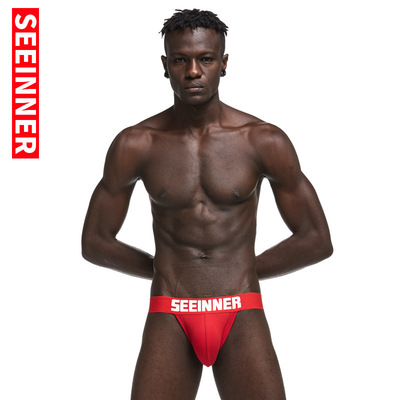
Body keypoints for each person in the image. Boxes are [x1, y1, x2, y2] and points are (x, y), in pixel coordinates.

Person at [81, 9, 333, 400]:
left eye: (206, 59)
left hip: (241, 308)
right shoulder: (136, 144)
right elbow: (95, 242)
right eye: (180, 60)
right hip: (170, 310)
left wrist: (241, 270)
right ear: (165, 66)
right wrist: (164, 270)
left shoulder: (262, 140)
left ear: (224, 63)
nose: (193, 71)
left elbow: (316, 239)